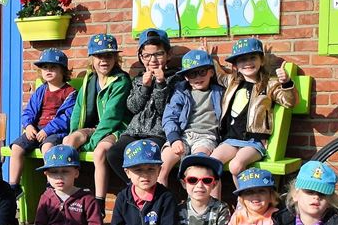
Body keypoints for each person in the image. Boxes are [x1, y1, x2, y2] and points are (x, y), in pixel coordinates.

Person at [210, 38, 297, 186]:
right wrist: (211, 58)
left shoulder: (270, 84)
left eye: (252, 58)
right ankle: (215, 204)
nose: (248, 63)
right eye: (242, 60)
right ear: (236, 65)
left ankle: (243, 201)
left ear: (261, 60)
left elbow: (289, 102)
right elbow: (219, 75)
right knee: (211, 163)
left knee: (235, 165)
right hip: (231, 139)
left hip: (253, 142)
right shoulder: (232, 82)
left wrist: (286, 82)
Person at [62, 34, 131, 217]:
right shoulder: (89, 80)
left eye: (108, 56)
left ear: (116, 58)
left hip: (116, 127)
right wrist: (75, 132)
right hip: (95, 127)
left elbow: (112, 117)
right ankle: (62, 194)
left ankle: (99, 204)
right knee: (69, 141)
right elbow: (78, 110)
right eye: (99, 56)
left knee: (100, 151)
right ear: (92, 58)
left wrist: (90, 144)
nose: (104, 60)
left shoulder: (120, 81)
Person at [106, 28, 180, 184]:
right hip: (134, 131)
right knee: (114, 153)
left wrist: (160, 84)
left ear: (168, 55)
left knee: (148, 158)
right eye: (147, 55)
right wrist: (145, 87)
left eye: (158, 54)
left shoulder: (175, 79)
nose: (153, 60)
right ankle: (134, 187)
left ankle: (148, 189)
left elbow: (163, 110)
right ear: (141, 57)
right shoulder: (138, 79)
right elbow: (132, 107)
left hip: (158, 133)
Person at [8, 48, 77, 199]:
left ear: (63, 70)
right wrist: (28, 126)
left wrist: (48, 130)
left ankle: (50, 186)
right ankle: (13, 186)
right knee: (17, 147)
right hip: (36, 129)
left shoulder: (70, 92)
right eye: (45, 67)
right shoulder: (41, 91)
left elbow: (67, 117)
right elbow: (29, 112)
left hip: (55, 132)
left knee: (48, 148)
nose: (48, 70)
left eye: (53, 67)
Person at [158, 50, 223, 186]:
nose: (198, 77)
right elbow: (170, 117)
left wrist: (214, 60)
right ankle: (159, 204)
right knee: (161, 166)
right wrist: (174, 139)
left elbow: (236, 78)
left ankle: (209, 205)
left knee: (200, 166)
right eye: (192, 73)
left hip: (206, 137)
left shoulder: (220, 92)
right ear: (186, 77)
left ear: (211, 72)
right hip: (182, 136)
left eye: (202, 72)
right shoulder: (181, 92)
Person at [29, 145, 103, 225]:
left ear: (76, 173)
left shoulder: (87, 198)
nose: (59, 177)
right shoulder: (46, 197)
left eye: (65, 171)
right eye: (54, 172)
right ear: (46, 175)